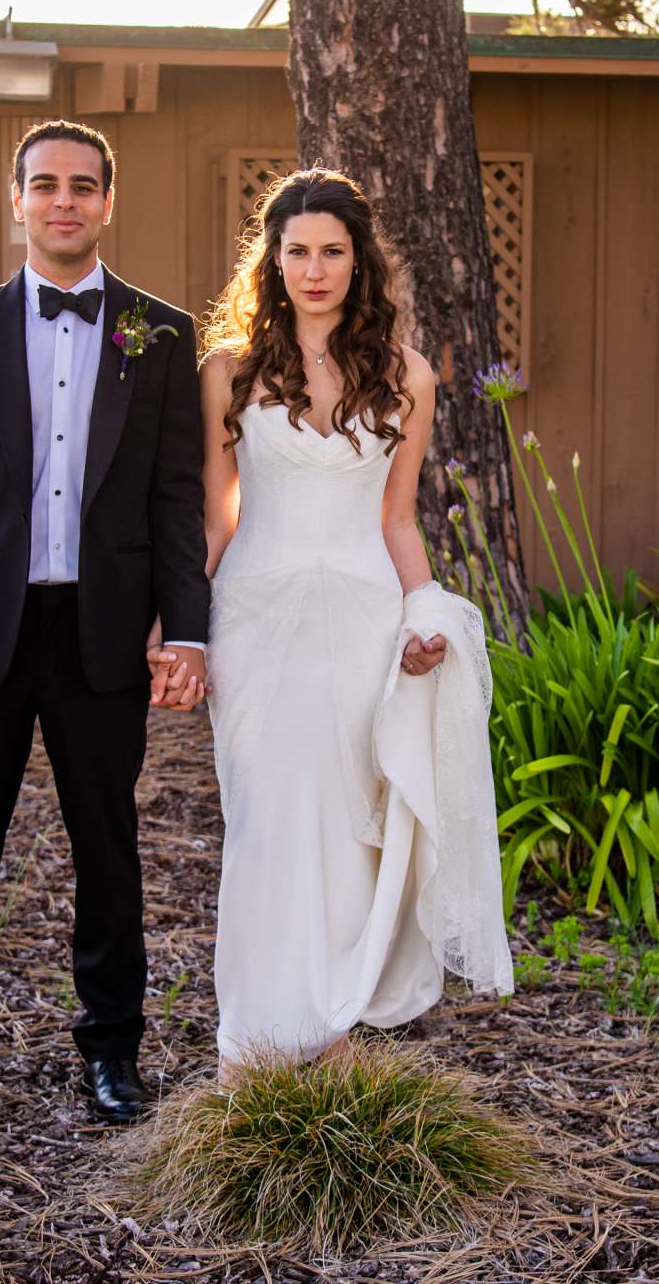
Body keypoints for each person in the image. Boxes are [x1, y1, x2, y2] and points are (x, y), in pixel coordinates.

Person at [0, 119, 209, 1125]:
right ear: (16, 200)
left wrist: (184, 629)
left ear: (109, 202)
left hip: (103, 631)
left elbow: (176, 494)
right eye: (46, 183)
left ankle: (112, 1051)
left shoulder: (159, 332)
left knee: (107, 846)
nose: (65, 199)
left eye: (85, 185)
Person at [198, 168, 513, 1079]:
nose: (314, 268)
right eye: (296, 250)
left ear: (359, 260)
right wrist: (177, 626)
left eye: (332, 250)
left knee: (347, 822)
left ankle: (331, 1028)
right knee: (263, 821)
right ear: (273, 260)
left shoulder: (406, 374)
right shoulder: (231, 369)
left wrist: (423, 613)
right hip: (254, 619)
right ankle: (251, 1043)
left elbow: (399, 517)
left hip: (366, 620)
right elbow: (215, 516)